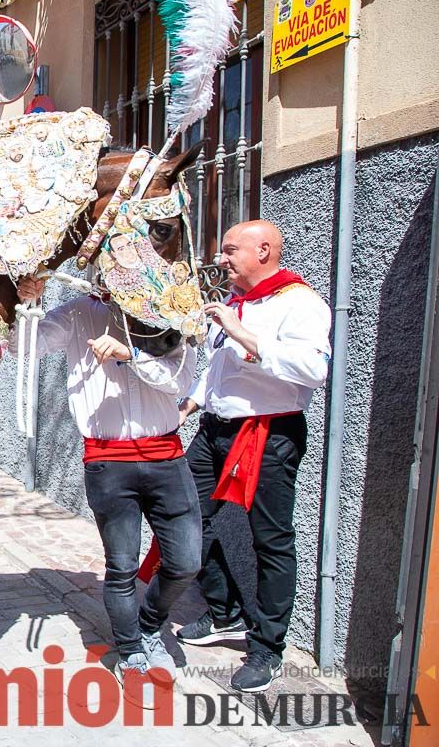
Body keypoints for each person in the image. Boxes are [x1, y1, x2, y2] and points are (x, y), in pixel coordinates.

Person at [17, 273, 199, 706]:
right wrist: (26, 302)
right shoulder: (82, 310)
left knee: (186, 561)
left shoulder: (173, 310)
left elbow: (180, 382)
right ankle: (131, 651)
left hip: (166, 458)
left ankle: (150, 625)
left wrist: (131, 354)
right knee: (120, 566)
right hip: (108, 461)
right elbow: (25, 348)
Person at [175, 220, 332, 693]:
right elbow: (218, 372)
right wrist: (188, 405)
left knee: (271, 540)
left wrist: (245, 334)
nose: (221, 258)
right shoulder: (234, 303)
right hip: (214, 430)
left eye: (230, 250)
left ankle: (267, 648)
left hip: (267, 431)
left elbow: (314, 370)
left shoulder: (301, 302)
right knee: (184, 517)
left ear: (263, 250)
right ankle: (224, 612)